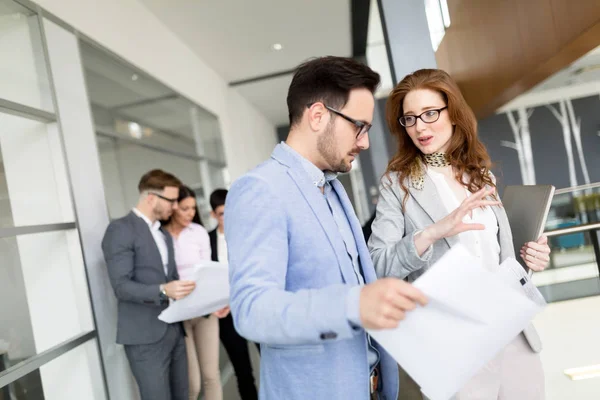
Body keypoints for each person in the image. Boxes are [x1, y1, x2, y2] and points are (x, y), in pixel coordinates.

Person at [224, 56, 427, 400]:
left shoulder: (331, 187)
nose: (363, 142)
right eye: (358, 126)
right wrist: (352, 304)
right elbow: (252, 310)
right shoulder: (260, 188)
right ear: (318, 116)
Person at [368, 68, 550, 400]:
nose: (420, 127)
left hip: (511, 332)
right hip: (455, 344)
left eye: (429, 113)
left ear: (452, 112)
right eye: (410, 118)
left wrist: (532, 257)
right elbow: (378, 265)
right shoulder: (398, 184)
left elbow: (498, 256)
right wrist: (434, 232)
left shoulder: (479, 175)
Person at [102, 169, 195, 400]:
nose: (175, 207)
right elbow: (121, 287)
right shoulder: (120, 229)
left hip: (174, 330)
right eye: (171, 200)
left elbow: (170, 278)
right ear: (151, 197)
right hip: (144, 337)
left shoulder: (162, 234)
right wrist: (164, 290)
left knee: (183, 395)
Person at [163, 185, 229, 400]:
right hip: (179, 314)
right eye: (184, 208)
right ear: (173, 208)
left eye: (193, 208)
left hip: (204, 312)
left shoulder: (198, 232)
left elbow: (208, 271)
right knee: (191, 383)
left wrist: (217, 301)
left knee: (211, 376)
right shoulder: (161, 236)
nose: (190, 213)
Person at [208, 188, 259, 400]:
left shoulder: (248, 234)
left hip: (253, 307)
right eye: (221, 213)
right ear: (213, 215)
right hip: (226, 313)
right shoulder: (206, 240)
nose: (227, 217)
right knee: (242, 371)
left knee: (273, 358)